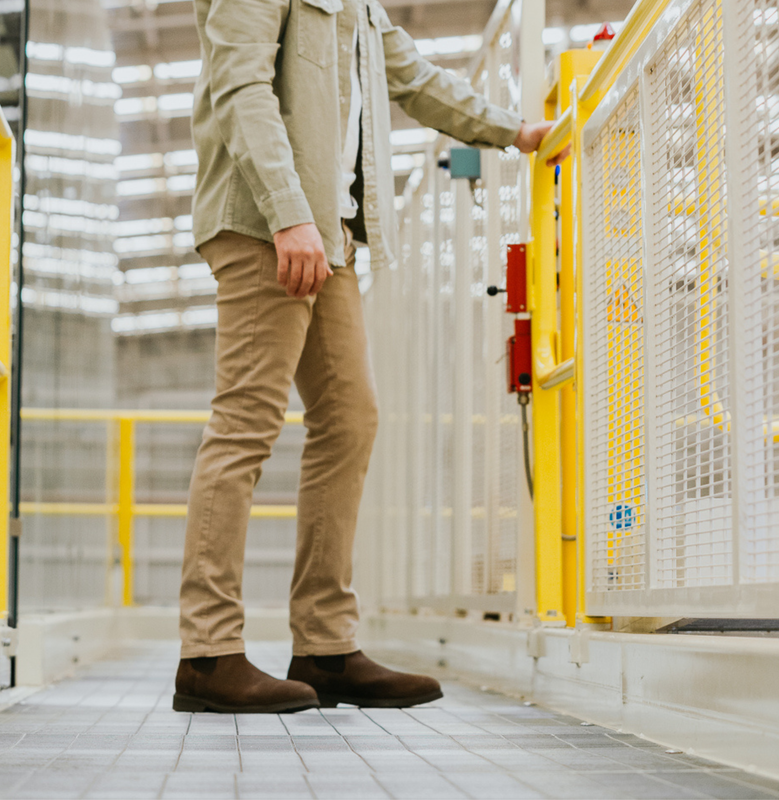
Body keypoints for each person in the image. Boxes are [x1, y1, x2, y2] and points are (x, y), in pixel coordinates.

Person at [174, 0, 567, 714]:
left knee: (351, 419)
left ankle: (324, 646)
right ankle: (207, 653)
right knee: (246, 425)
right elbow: (240, 85)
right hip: (269, 222)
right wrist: (289, 214)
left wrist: (512, 131)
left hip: (329, 230)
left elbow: (412, 77)